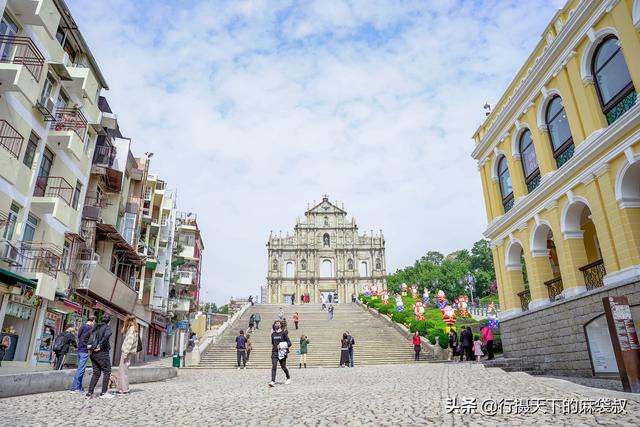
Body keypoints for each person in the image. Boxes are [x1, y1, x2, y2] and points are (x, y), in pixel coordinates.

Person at [86, 315, 113, 399]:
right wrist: (100, 346)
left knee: (96, 372)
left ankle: (89, 393)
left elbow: (85, 337)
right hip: (102, 352)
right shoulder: (107, 328)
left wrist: (90, 347)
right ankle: (104, 392)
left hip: (92, 353)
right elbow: (108, 334)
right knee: (107, 371)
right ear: (109, 322)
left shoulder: (95, 327)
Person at [70, 316, 96, 393]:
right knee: (81, 370)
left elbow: (78, 336)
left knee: (80, 369)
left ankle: (78, 387)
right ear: (93, 321)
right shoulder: (90, 329)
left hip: (79, 349)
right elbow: (91, 340)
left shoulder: (82, 326)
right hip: (84, 350)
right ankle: (76, 388)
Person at [118, 315, 139, 395]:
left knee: (123, 371)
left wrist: (125, 353)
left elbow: (129, 342)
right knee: (123, 370)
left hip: (126, 351)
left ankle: (124, 389)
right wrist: (125, 326)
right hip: (128, 352)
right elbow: (122, 331)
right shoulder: (134, 329)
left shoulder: (132, 329)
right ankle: (122, 388)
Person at [269, 320, 291, 387]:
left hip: (281, 353)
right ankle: (272, 381)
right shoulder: (273, 334)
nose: (277, 325)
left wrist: (282, 345)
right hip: (274, 352)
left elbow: (289, 343)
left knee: (283, 367)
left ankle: (288, 378)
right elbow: (273, 343)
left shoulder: (283, 333)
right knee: (274, 366)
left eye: (278, 323)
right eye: (276, 323)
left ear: (281, 325)